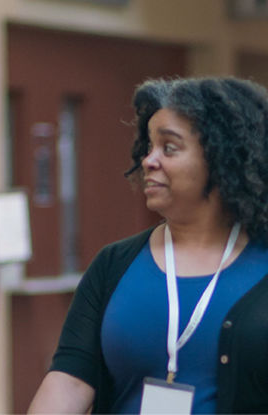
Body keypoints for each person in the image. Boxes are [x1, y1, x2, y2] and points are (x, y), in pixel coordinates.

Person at [28, 77, 268, 414]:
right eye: (149, 147)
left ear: (221, 157)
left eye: (169, 148)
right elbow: (69, 380)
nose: (148, 160)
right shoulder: (114, 264)